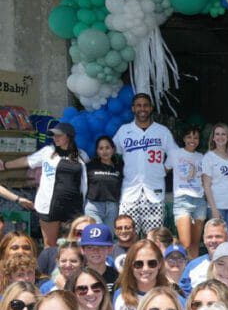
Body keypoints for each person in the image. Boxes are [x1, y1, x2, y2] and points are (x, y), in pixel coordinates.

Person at [0, 121, 87, 248]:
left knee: (72, 244)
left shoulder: (82, 155)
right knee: (50, 245)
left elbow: (85, 180)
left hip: (73, 207)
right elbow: (28, 161)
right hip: (51, 206)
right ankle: (49, 267)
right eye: (53, 135)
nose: (55, 138)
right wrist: (5, 165)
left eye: (59, 135)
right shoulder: (47, 151)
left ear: (69, 136)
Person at [113, 93, 179, 235]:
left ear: (151, 108)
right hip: (129, 192)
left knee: (153, 238)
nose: (142, 108)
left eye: (145, 105)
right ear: (133, 108)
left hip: (154, 191)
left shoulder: (162, 131)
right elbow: (110, 152)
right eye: (138, 105)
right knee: (128, 236)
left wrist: (164, 169)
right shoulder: (124, 130)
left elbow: (175, 153)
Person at [114, 239, 173, 310]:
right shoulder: (119, 295)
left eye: (152, 263)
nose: (145, 269)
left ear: (159, 264)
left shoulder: (172, 297)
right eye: (138, 264)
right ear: (130, 266)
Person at [165, 125, 206, 258]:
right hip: (182, 200)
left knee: (195, 244)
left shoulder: (202, 157)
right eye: (189, 137)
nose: (192, 140)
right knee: (185, 243)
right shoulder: (175, 154)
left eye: (196, 137)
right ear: (183, 138)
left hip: (200, 201)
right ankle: (170, 255)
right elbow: (163, 171)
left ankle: (193, 273)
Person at [202, 123, 228, 243]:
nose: (220, 137)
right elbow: (206, 185)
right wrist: (214, 209)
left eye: (223, 134)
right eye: (217, 134)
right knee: (219, 241)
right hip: (218, 206)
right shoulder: (209, 157)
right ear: (213, 137)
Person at [179, 218, 228, 294]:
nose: (213, 241)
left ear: (227, 238)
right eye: (209, 237)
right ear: (204, 239)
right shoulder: (193, 266)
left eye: (218, 236)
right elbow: (183, 295)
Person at [84, 135, 122, 226]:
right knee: (97, 237)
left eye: (107, 148)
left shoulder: (120, 167)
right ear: (97, 151)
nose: (104, 151)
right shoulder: (89, 166)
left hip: (113, 207)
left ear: (113, 149)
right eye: (101, 148)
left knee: (109, 237)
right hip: (93, 207)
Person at [79, 223, 120, 292]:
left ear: (110, 249)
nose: (95, 251)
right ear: (82, 250)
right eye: (90, 247)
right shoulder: (75, 278)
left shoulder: (118, 279)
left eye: (101, 247)